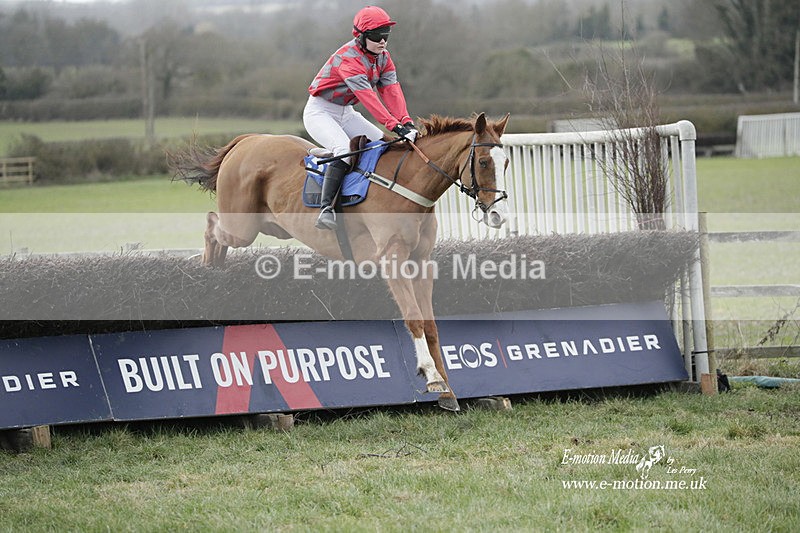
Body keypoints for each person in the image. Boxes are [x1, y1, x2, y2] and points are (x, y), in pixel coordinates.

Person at [303, 5, 419, 230]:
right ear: (361, 36)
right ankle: (326, 209)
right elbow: (369, 98)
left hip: (346, 112)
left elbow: (391, 91)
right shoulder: (349, 59)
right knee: (345, 150)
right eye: (377, 36)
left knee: (383, 145)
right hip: (320, 111)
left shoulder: (384, 57)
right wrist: (395, 125)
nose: (383, 41)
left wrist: (406, 121)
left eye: (386, 35)